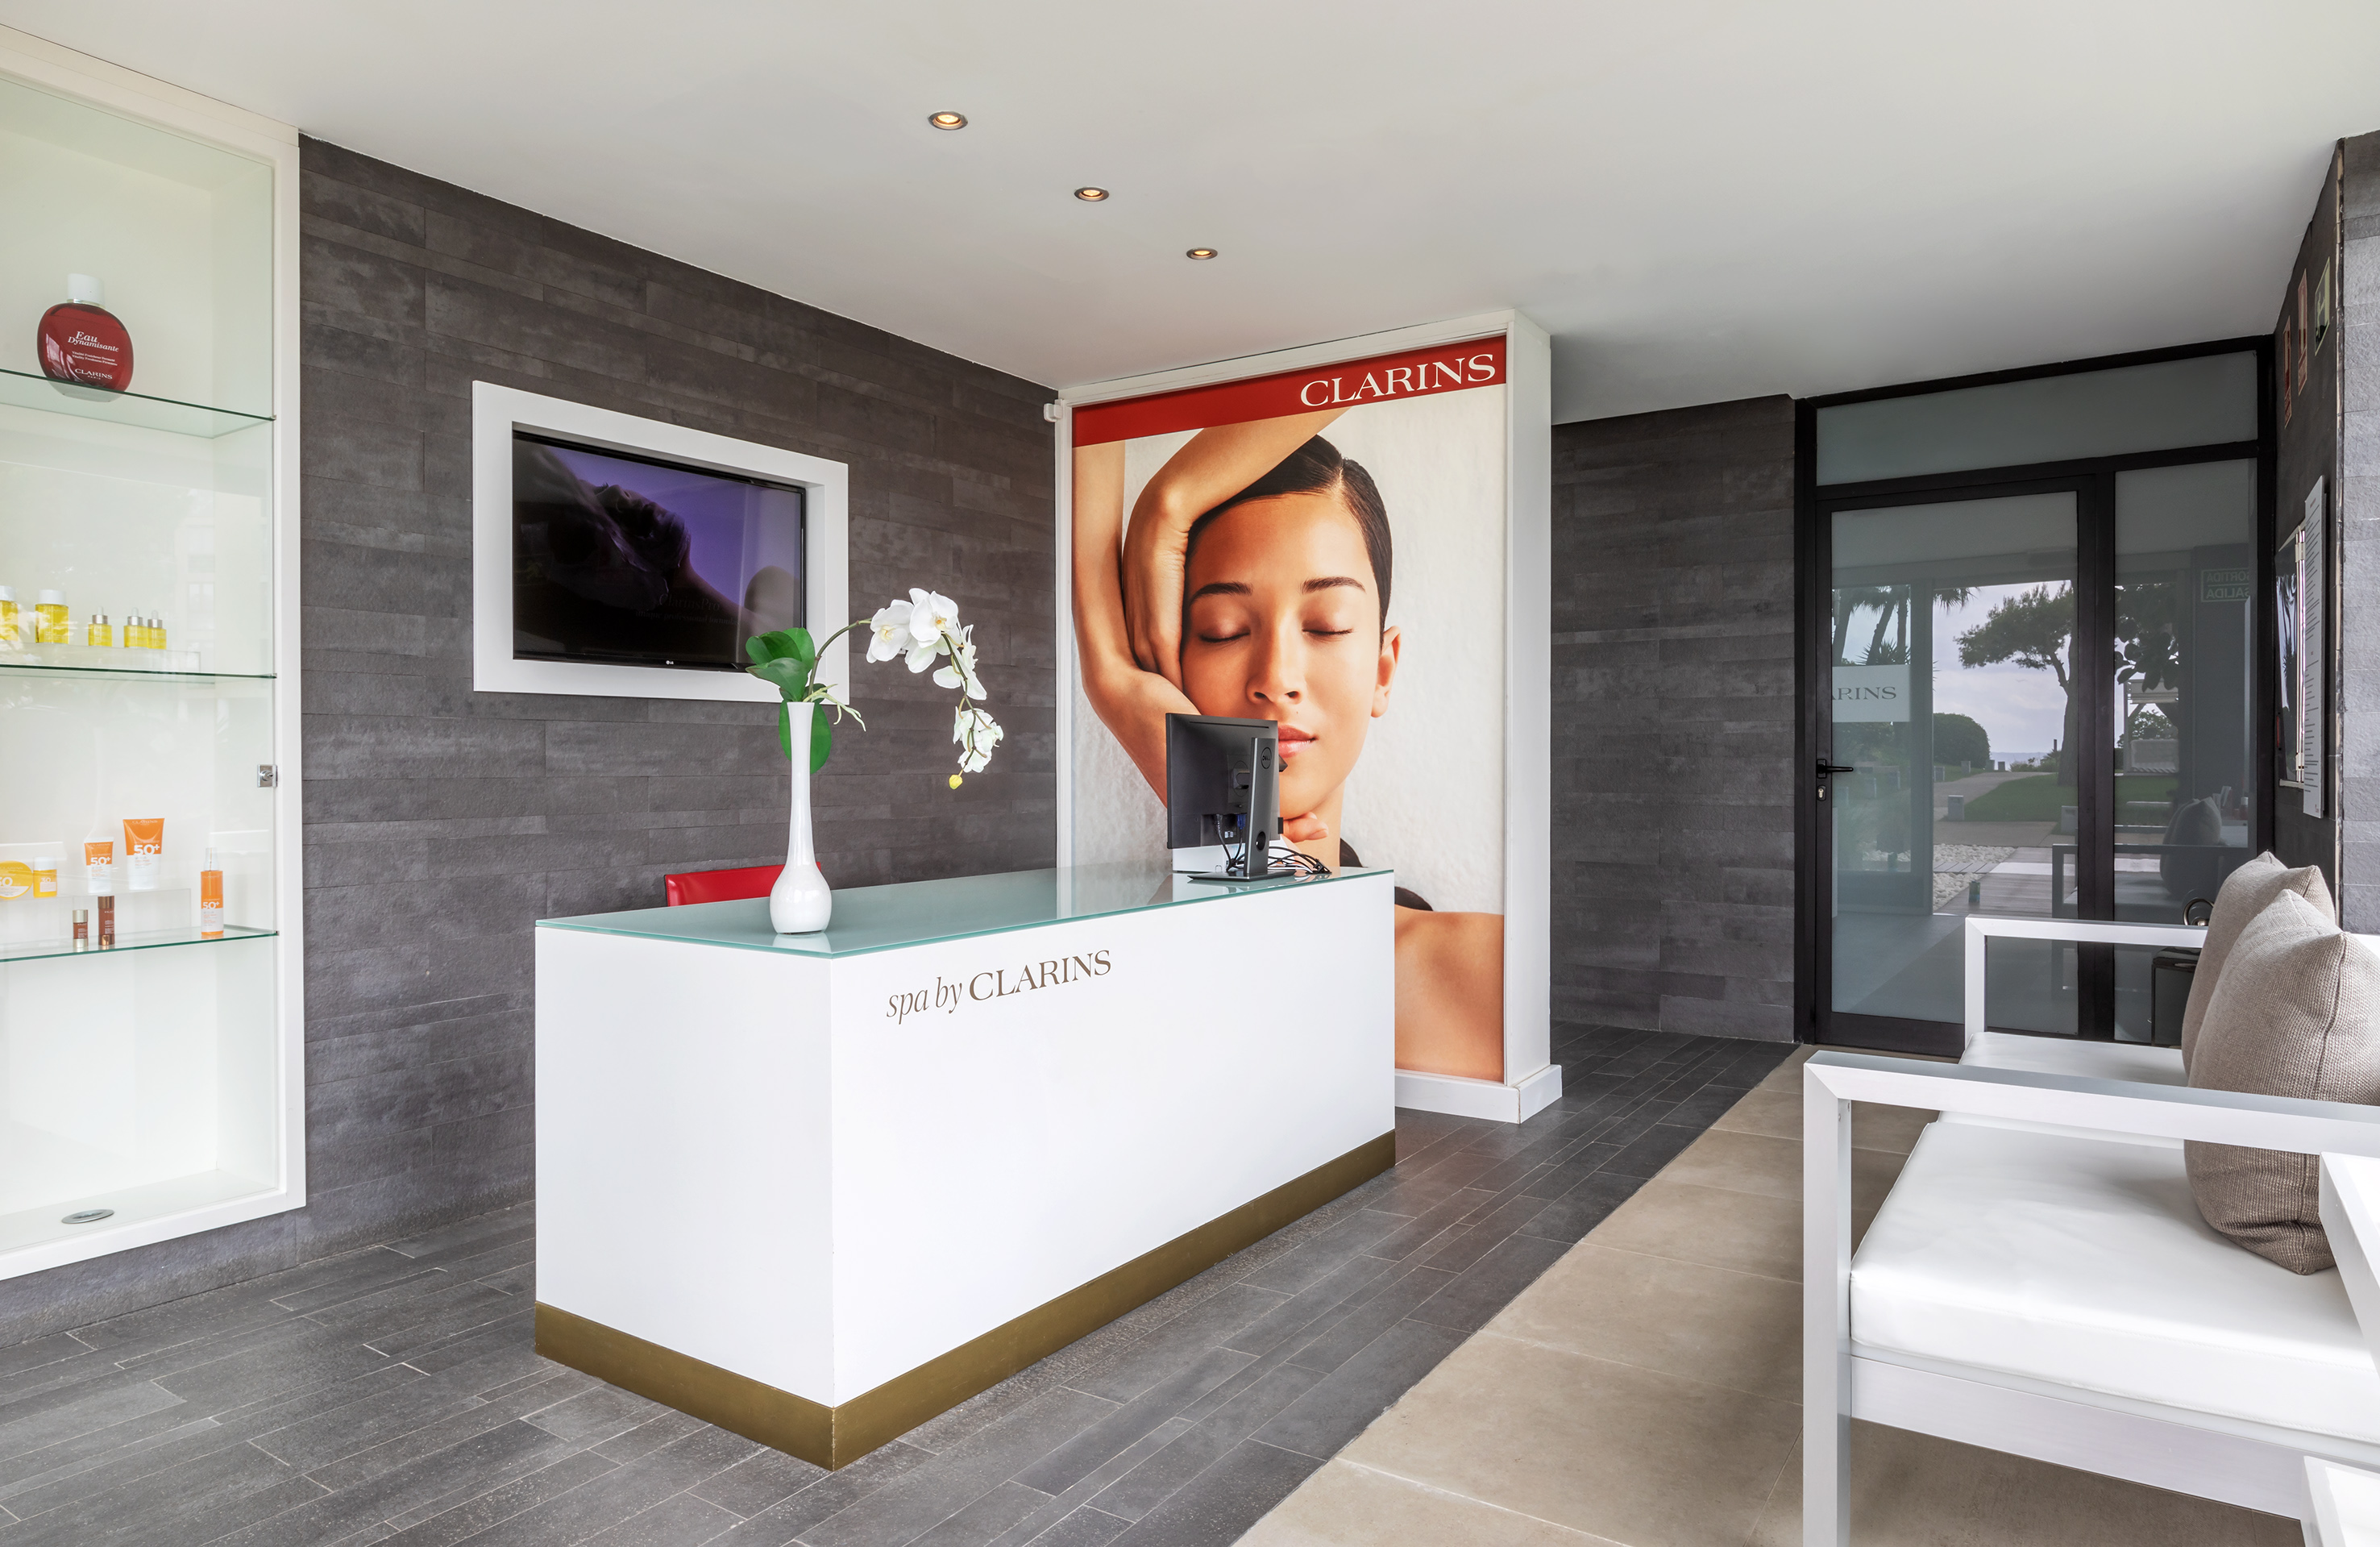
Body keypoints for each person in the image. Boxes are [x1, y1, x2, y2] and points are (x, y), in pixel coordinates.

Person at [1073, 412, 1504, 1080]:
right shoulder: (1108, 972)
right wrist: (1110, 675)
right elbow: (1077, 392)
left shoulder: (1484, 972)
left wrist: (1169, 502)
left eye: (1326, 626)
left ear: (1382, 670)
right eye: (1221, 630)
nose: (1276, 678)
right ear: (1168, 664)